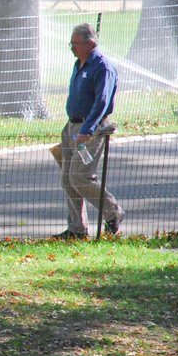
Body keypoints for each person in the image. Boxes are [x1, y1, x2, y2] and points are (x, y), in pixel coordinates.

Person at [53, 23, 125, 239]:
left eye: (76, 43)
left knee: (79, 176)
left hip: (90, 129)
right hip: (72, 126)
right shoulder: (79, 63)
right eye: (71, 43)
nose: (72, 47)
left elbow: (102, 101)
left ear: (90, 43)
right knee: (67, 178)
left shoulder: (102, 66)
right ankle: (77, 229)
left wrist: (88, 128)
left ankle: (113, 213)